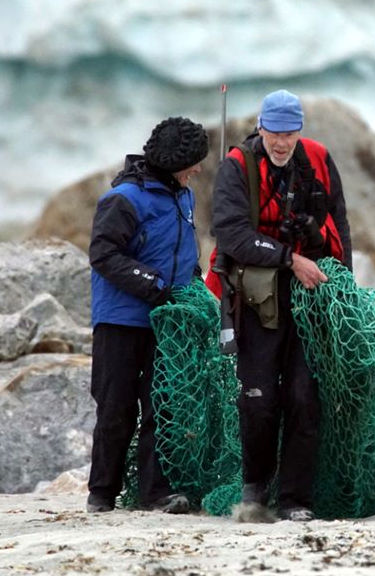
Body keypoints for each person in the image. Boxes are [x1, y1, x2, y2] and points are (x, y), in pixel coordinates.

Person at [211, 89, 352, 522]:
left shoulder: (318, 160)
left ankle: (296, 500)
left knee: (304, 396)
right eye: (274, 132)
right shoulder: (236, 166)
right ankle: (255, 489)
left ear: (299, 132)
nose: (281, 143)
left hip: (309, 300)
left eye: (290, 134)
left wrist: (342, 282)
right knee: (258, 398)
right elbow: (231, 234)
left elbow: (340, 224)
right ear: (260, 128)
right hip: (254, 300)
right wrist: (290, 257)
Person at [87, 116, 209, 514]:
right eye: (193, 163)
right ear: (175, 164)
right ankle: (102, 492)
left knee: (163, 404)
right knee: (116, 406)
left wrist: (193, 285)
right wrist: (151, 283)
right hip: (121, 319)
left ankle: (155, 492)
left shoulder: (182, 195)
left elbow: (184, 250)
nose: (198, 169)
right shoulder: (124, 198)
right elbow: (103, 254)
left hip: (167, 320)